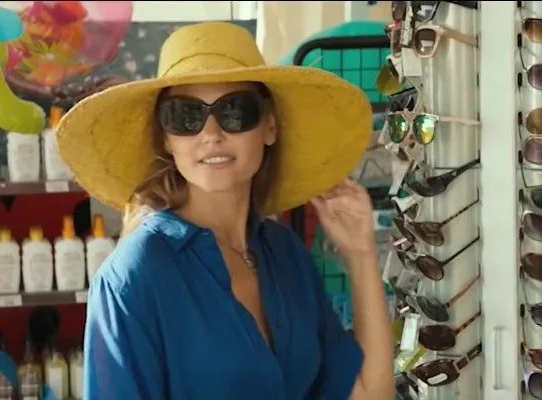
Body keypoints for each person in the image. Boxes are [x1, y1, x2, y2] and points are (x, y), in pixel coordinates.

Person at [56, 21, 394, 400]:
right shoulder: (135, 276)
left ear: (269, 126)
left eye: (235, 110)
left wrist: (361, 255)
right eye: (185, 116)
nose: (211, 134)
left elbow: (370, 393)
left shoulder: (284, 253)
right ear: (166, 138)